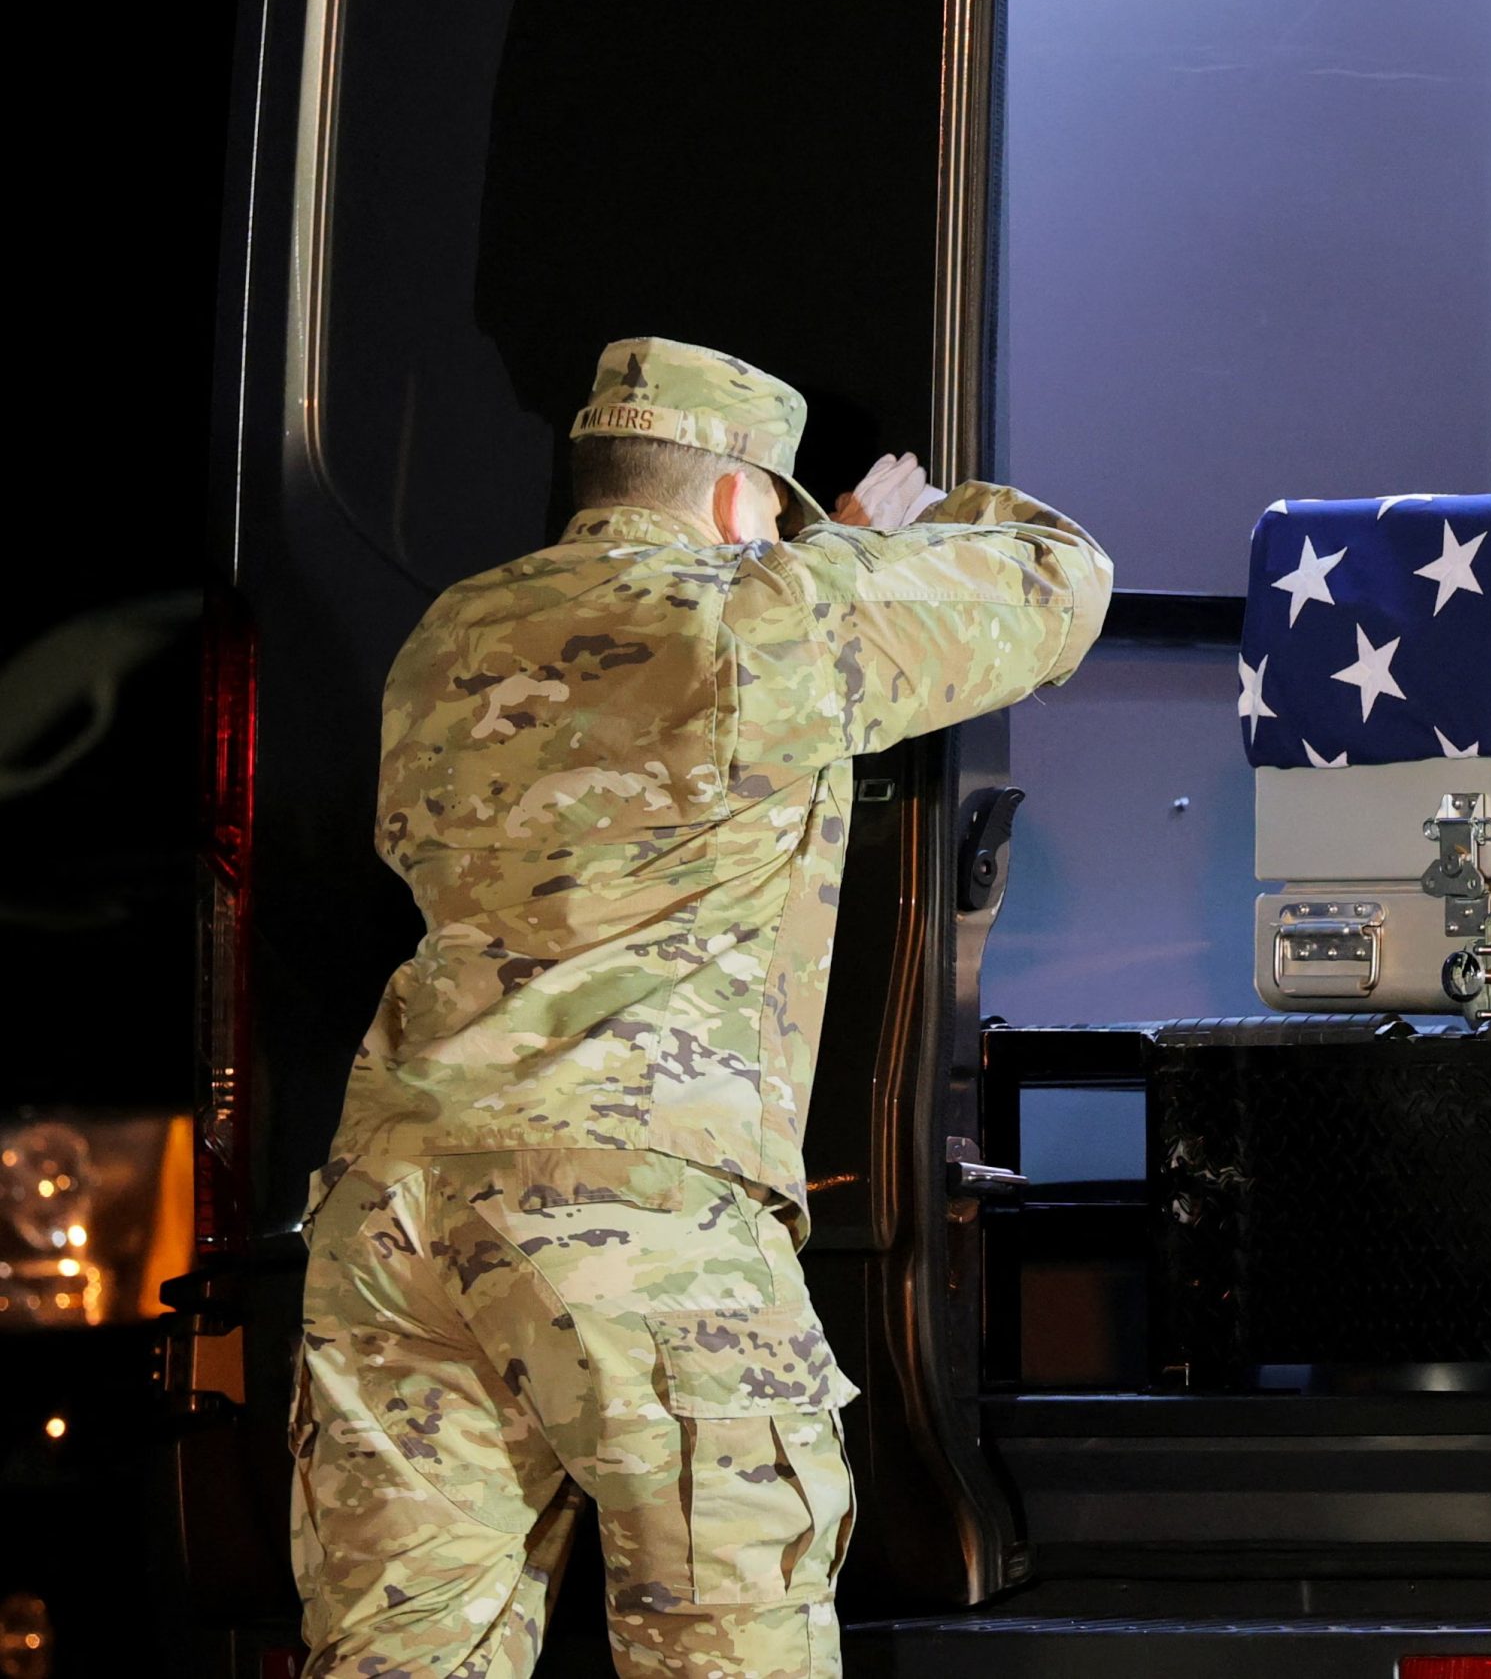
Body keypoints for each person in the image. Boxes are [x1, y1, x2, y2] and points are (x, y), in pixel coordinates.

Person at [289, 337, 1111, 1677]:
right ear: (741, 500)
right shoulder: (762, 615)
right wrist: (864, 546)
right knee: (731, 1642)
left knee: (399, 1653)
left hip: (397, 1206)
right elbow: (1058, 579)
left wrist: (806, 558)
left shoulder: (451, 633)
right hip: (638, 1216)